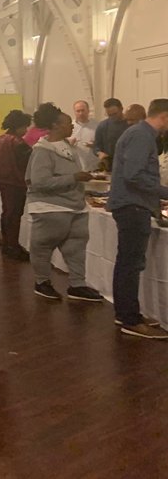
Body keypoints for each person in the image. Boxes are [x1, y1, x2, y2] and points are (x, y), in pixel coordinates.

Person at [24, 107, 103, 303]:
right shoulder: (43, 151)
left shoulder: (68, 147)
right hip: (50, 208)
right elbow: (39, 181)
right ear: (55, 126)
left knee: (76, 249)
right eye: (68, 123)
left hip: (76, 207)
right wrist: (73, 177)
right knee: (42, 248)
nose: (72, 126)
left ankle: (77, 285)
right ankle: (42, 282)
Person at [108, 99, 168, 339]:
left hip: (133, 205)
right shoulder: (142, 135)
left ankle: (125, 314)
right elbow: (135, 175)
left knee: (127, 262)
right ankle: (130, 319)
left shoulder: (139, 134)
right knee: (130, 264)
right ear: (164, 116)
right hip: (133, 207)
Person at [0, 110, 32, 261]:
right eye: (25, 127)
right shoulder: (18, 143)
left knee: (7, 213)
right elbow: (28, 163)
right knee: (14, 215)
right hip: (16, 182)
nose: (26, 130)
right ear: (18, 126)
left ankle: (8, 245)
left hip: (1, 181)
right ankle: (13, 246)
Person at [93, 98, 128, 170]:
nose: (113, 117)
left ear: (121, 109)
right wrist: (99, 153)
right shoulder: (103, 126)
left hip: (129, 163)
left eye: (115, 114)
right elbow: (96, 146)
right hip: (110, 165)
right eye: (109, 115)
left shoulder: (130, 124)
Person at [70, 100, 100, 171]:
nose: (81, 113)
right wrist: (69, 143)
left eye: (83, 110)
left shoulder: (97, 125)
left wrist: (95, 145)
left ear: (88, 111)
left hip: (94, 166)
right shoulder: (69, 126)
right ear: (74, 112)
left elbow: (103, 144)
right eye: (78, 111)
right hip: (75, 166)